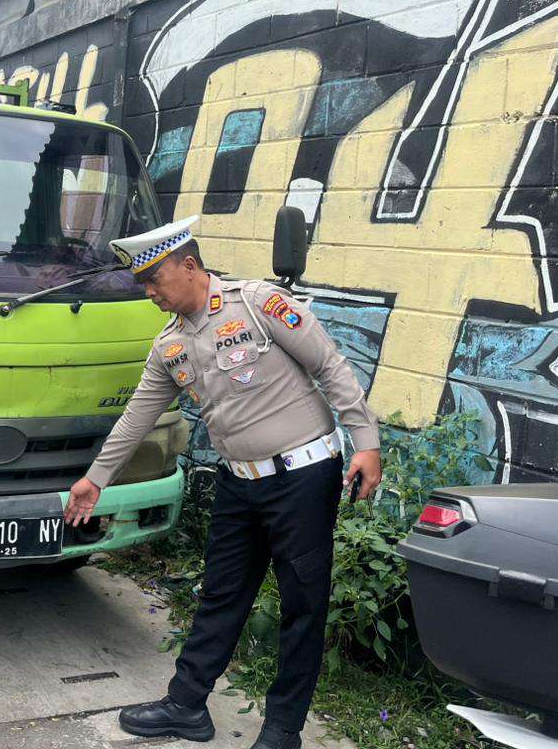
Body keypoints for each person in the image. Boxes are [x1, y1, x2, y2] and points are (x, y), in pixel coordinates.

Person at [65, 216, 383, 749]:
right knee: (220, 593)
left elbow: (329, 365)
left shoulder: (259, 304)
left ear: (189, 266)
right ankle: (187, 705)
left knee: (303, 603)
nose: (150, 294)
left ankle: (283, 728)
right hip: (239, 483)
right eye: (142, 284)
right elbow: (136, 417)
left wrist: (365, 439)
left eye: (155, 280)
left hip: (302, 476)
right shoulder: (169, 345)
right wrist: (95, 480)